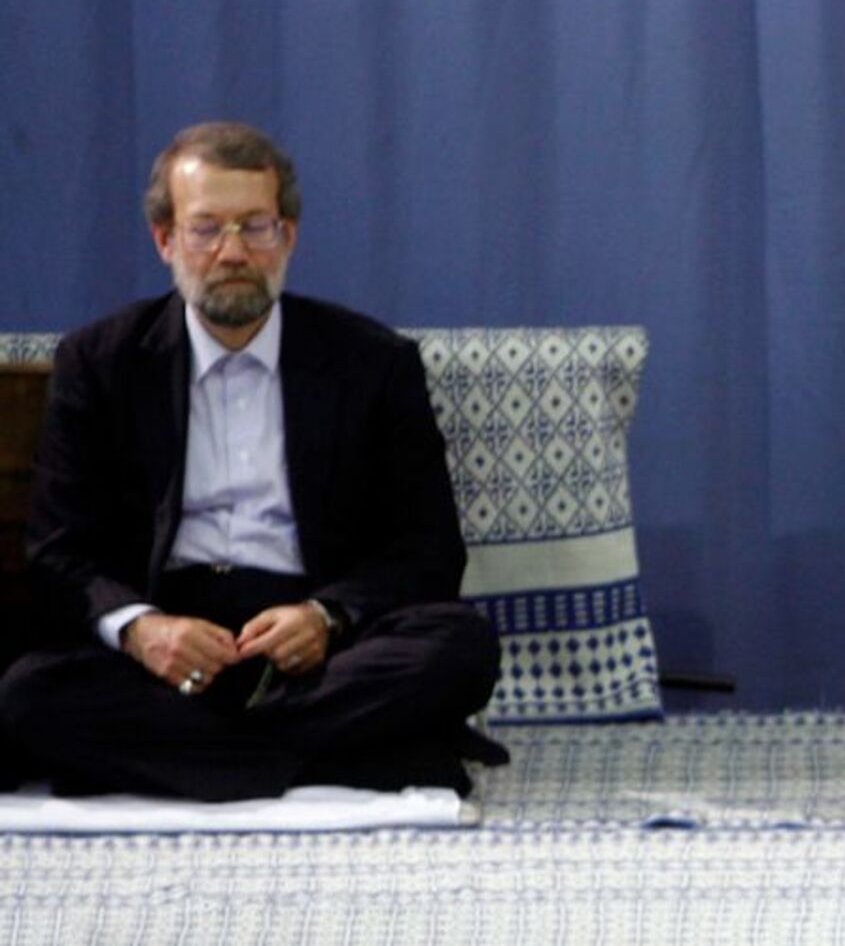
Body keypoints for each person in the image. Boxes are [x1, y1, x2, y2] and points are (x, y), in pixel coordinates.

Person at [0, 121, 506, 801]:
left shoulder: (373, 362)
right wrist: (143, 630)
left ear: (287, 235)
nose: (233, 251)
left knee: (461, 647)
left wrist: (327, 616)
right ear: (166, 240)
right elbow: (59, 553)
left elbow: (430, 550)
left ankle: (193, 760)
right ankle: (349, 759)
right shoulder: (99, 362)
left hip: (313, 649)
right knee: (29, 692)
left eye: (256, 227)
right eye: (206, 229)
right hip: (167, 646)